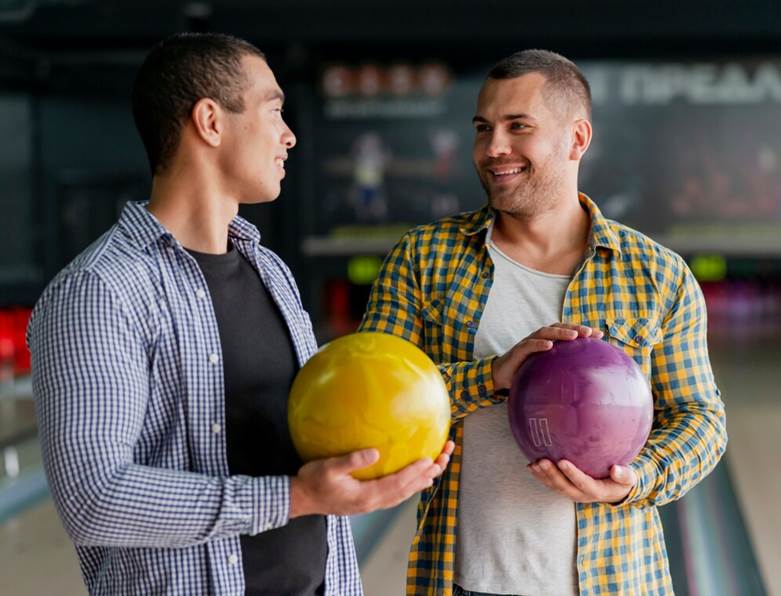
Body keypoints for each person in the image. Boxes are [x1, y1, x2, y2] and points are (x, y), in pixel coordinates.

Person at [27, 32, 452, 596]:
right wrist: (297, 497)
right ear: (210, 121)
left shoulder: (268, 269)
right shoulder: (100, 291)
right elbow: (95, 499)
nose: (290, 134)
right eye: (273, 110)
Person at [359, 49, 727, 595]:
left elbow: (701, 419)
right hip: (465, 582)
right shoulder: (423, 258)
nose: (493, 148)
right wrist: (490, 377)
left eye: (518, 127)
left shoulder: (656, 275)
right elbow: (371, 404)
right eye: (483, 129)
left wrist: (633, 481)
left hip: (615, 580)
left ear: (577, 139)